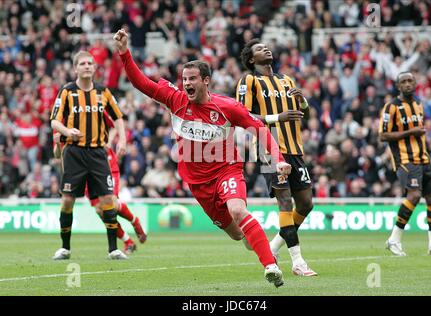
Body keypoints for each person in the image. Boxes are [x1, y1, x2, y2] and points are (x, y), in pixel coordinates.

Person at [114, 29, 291, 287]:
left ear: (206, 81)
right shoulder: (174, 99)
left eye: (193, 78)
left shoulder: (227, 107)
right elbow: (141, 83)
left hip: (227, 170)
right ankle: (254, 240)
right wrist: (124, 53)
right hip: (198, 184)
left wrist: (279, 159)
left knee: (238, 209)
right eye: (184, 78)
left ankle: (271, 266)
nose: (187, 83)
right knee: (235, 233)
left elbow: (260, 129)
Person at [237, 39, 317, 276]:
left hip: (295, 149)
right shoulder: (249, 80)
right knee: (285, 202)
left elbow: (305, 113)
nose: (266, 49)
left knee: (306, 204)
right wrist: (275, 118)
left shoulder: (287, 80)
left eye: (266, 47)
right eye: (259, 49)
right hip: (268, 147)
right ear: (252, 59)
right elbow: (242, 116)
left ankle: (273, 247)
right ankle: (298, 262)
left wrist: (303, 100)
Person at [50, 51, 128, 260]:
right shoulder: (66, 92)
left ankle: (113, 249)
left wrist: (122, 140)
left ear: (94, 68)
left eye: (90, 63)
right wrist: (67, 132)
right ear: (75, 68)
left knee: (108, 200)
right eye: (82, 63)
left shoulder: (103, 92)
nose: (86, 66)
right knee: (67, 201)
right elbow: (54, 121)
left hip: (97, 153)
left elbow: (118, 117)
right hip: (74, 153)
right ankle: (65, 248)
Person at [52, 112, 147, 255]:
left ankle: (135, 221)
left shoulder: (88, 107)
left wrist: (109, 143)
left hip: (104, 163)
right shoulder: (60, 122)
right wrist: (59, 144)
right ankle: (128, 241)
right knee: (100, 210)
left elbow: (115, 123)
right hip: (81, 168)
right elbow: (57, 153)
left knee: (111, 203)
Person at [379, 71, 431, 256]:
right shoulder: (391, 107)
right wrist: (410, 132)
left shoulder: (418, 104)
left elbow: (420, 133)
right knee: (414, 196)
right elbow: (383, 135)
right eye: (404, 81)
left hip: (424, 159)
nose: (408, 84)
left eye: (410, 81)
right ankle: (394, 239)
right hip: (405, 160)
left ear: (415, 84)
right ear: (398, 86)